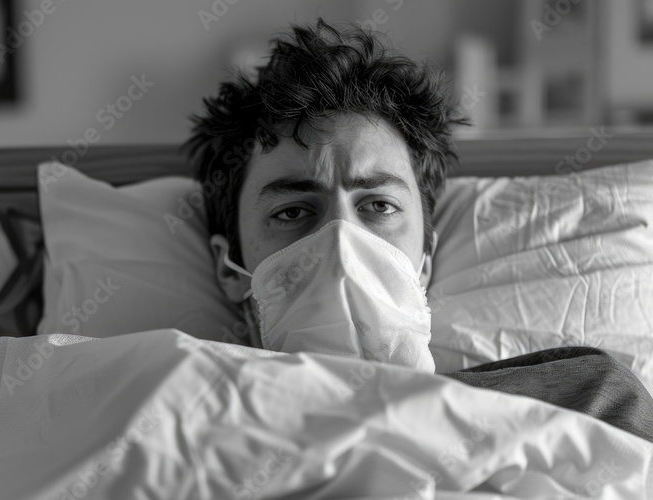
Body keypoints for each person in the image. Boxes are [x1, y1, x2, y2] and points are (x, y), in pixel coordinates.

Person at [184, 18, 653, 442]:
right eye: (291, 212)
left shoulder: (586, 397)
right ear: (230, 267)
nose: (341, 240)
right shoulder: (173, 407)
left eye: (378, 205)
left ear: (423, 263)